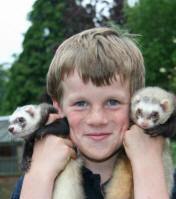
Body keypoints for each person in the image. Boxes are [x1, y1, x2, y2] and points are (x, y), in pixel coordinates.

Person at [11, 27, 171, 199]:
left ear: (135, 105)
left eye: (112, 102)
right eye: (80, 103)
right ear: (58, 107)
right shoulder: (34, 180)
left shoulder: (162, 176)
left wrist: (148, 166)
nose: (97, 119)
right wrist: (39, 175)